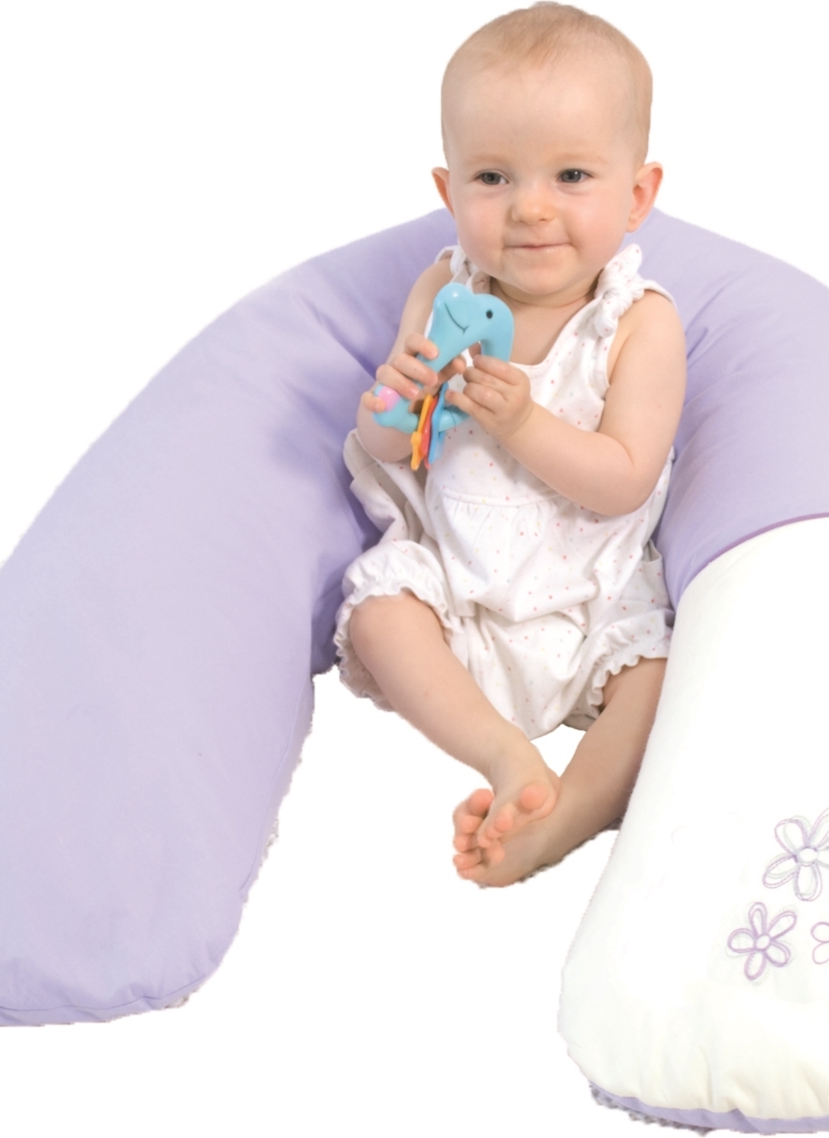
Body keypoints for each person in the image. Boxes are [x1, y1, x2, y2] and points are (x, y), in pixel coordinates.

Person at [334, 2, 686, 886]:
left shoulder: (637, 325)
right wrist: (394, 401)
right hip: (464, 588)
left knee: (661, 679)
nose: (530, 208)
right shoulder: (444, 291)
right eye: (493, 177)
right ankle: (504, 757)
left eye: (572, 175)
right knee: (378, 609)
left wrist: (525, 423)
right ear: (449, 192)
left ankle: (570, 813)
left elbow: (625, 479)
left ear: (636, 195)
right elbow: (390, 444)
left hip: (591, 598)